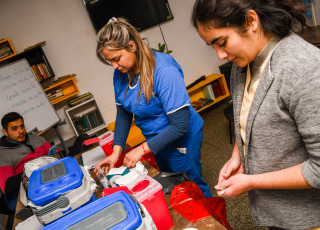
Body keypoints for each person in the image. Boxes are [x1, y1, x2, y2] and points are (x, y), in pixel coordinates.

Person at [192, 0, 320, 229]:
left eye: (221, 42)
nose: (220, 55)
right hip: (275, 212)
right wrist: (237, 156)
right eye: (213, 47)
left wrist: (250, 182)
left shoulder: (303, 69)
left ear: (251, 21)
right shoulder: (243, 66)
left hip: (306, 218)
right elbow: (247, 117)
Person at [94, 17, 212, 198]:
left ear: (132, 46)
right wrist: (115, 153)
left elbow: (180, 125)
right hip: (155, 142)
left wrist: (141, 149)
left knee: (192, 186)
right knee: (173, 184)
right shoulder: (121, 74)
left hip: (181, 138)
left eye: (116, 59)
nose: (114, 66)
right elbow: (124, 113)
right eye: (110, 61)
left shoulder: (164, 71)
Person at [0, 112, 51, 212]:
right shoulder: (3, 156)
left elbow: (54, 154)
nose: (21, 131)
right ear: (5, 132)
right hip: (28, 192)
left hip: (49, 179)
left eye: (22, 126)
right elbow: (6, 187)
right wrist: (32, 171)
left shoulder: (37, 139)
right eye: (14, 128)